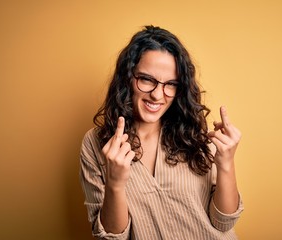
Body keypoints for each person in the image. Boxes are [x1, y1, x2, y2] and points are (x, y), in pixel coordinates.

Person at [80, 25, 244, 240]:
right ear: (128, 78)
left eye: (171, 84)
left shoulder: (198, 134)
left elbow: (224, 222)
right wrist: (115, 184)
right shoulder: (95, 143)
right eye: (147, 79)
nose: (158, 95)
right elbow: (111, 238)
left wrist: (226, 164)